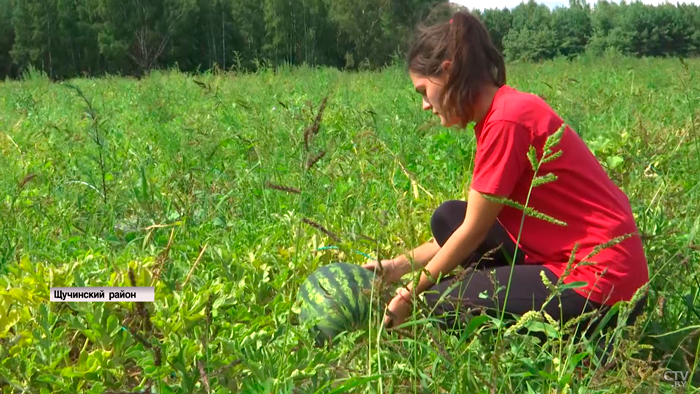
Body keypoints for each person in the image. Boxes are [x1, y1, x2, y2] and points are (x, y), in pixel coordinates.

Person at [362, 10, 649, 342]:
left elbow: (472, 233)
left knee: (441, 302)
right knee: (448, 218)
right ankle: (505, 296)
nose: (426, 104)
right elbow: (470, 223)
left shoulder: (506, 122)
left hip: (600, 281)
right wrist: (399, 266)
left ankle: (572, 336)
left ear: (447, 72)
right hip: (573, 258)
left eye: (423, 91)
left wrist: (409, 294)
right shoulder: (503, 111)